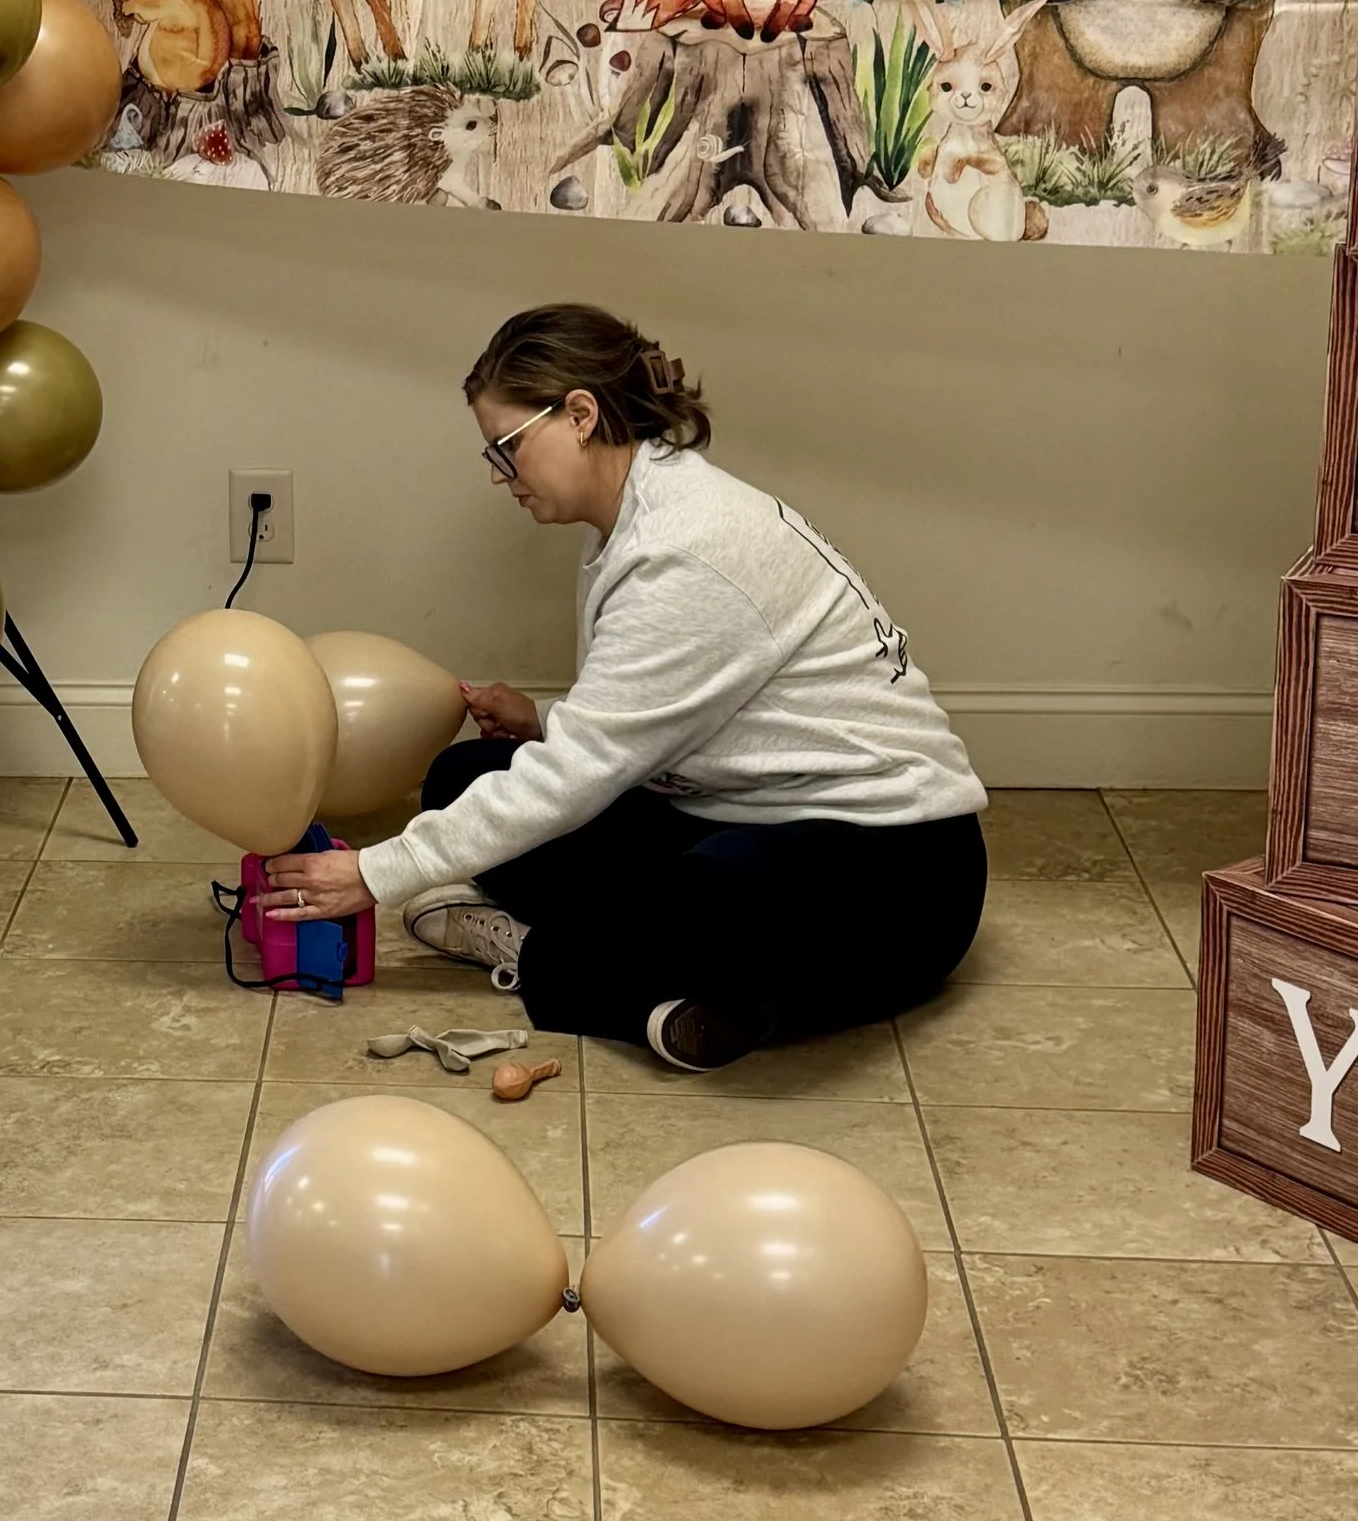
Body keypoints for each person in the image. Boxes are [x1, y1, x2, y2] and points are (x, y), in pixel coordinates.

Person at [263, 304, 989, 1066]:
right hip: (744, 809)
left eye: (506, 448)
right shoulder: (637, 517)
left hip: (901, 867)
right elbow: (664, 713)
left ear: (580, 414)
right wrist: (545, 721)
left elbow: (580, 774)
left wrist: (374, 873)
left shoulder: (686, 551)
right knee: (462, 777)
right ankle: (661, 986)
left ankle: (563, 961)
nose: (497, 473)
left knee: (702, 904)